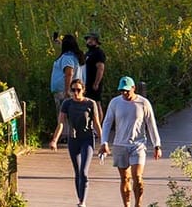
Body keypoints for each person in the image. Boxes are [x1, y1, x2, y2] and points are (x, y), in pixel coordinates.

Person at [102, 76, 162, 207]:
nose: (124, 93)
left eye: (127, 91)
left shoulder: (143, 103)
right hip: (120, 144)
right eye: (122, 91)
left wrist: (157, 144)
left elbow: (151, 124)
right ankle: (126, 205)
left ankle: (138, 204)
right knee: (125, 178)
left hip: (138, 144)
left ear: (133, 88)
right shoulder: (115, 103)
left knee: (138, 178)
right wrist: (104, 142)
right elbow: (107, 123)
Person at [51, 77, 105, 206]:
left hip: (87, 139)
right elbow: (61, 123)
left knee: (84, 172)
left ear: (83, 90)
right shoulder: (67, 103)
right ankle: (80, 199)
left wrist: (104, 142)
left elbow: (97, 124)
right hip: (73, 140)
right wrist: (54, 140)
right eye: (73, 90)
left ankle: (83, 202)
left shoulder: (90, 104)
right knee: (77, 171)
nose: (76, 92)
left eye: (78, 90)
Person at [52, 33, 84, 108]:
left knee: (63, 115)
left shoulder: (67, 57)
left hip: (64, 91)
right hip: (65, 90)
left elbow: (69, 73)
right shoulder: (72, 57)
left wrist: (67, 91)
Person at [84, 31, 108, 101]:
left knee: (96, 102)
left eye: (92, 39)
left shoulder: (98, 53)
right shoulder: (88, 53)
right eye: (88, 39)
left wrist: (96, 83)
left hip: (93, 82)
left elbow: (100, 68)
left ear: (97, 41)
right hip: (87, 82)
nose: (89, 41)